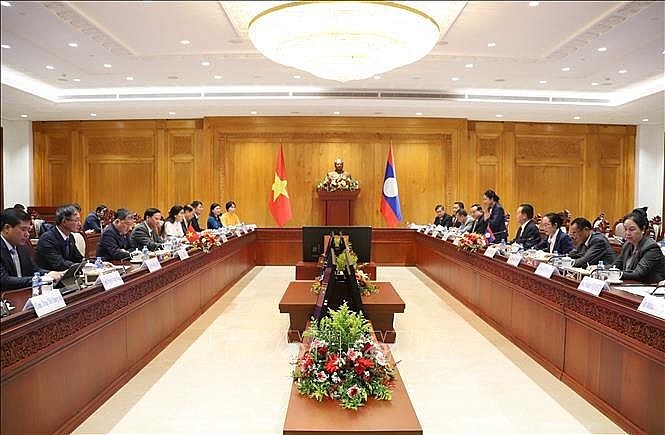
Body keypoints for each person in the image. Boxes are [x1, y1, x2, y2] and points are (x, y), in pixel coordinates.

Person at [1, 208, 62, 290]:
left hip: (22, 293)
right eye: (23, 229)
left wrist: (48, 273)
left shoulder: (22, 246)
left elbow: (33, 269)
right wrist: (41, 280)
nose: (27, 234)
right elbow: (4, 281)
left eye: (28, 230)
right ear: (7, 228)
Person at [613, 208, 665, 283]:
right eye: (625, 229)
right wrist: (599, 269)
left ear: (643, 229)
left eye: (632, 229)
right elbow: (616, 265)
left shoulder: (651, 248)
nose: (627, 233)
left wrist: (615, 273)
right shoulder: (627, 245)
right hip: (631, 285)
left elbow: (639, 274)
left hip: (650, 288)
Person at [34, 204, 84, 271]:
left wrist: (89, 263)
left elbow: (78, 258)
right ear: (64, 222)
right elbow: (59, 264)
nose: (80, 224)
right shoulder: (48, 238)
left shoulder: (70, 237)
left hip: (65, 275)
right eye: (76, 220)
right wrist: (79, 265)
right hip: (49, 277)